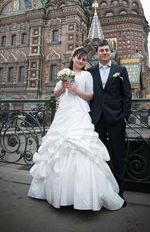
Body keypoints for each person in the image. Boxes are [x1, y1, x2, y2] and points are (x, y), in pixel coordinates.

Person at [28, 46, 124, 211]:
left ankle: (82, 196)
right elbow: (55, 93)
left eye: (83, 59)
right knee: (58, 148)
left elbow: (90, 95)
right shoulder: (64, 72)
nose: (80, 61)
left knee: (81, 148)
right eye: (78, 58)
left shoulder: (87, 75)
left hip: (79, 112)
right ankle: (58, 192)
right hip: (64, 112)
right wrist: (64, 87)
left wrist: (75, 89)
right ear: (73, 58)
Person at [88, 40, 132, 205]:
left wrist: (124, 116)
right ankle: (100, 191)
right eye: (101, 50)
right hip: (97, 119)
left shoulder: (120, 70)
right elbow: (86, 91)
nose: (104, 52)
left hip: (116, 119)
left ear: (110, 52)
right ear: (97, 53)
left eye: (107, 50)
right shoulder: (91, 71)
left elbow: (127, 95)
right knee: (98, 156)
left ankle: (119, 192)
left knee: (117, 155)